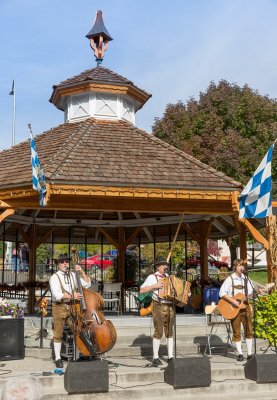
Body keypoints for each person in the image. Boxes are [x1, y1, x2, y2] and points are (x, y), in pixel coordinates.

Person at [49, 253, 91, 368]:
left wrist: (81, 272)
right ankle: (57, 358)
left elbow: (87, 284)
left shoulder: (73, 275)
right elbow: (57, 295)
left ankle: (81, 354)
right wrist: (72, 296)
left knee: (78, 329)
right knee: (58, 333)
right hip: (59, 307)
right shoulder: (54, 277)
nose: (64, 264)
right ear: (58, 264)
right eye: (62, 262)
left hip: (73, 307)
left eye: (66, 262)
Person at [140, 256, 174, 366]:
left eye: (166, 265)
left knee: (170, 331)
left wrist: (184, 293)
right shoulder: (152, 277)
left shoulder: (169, 277)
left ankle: (170, 356)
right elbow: (141, 290)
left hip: (169, 305)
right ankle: (155, 357)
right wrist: (155, 286)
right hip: (157, 305)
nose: (166, 266)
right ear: (158, 267)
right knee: (158, 331)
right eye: (163, 265)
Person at [219, 258, 253, 361]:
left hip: (245, 307)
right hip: (233, 308)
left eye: (242, 265)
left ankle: (250, 353)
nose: (241, 267)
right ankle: (240, 354)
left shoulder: (246, 279)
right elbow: (222, 293)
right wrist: (233, 301)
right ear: (235, 267)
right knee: (236, 331)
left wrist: (258, 292)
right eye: (239, 265)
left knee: (249, 330)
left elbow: (250, 293)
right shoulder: (230, 279)